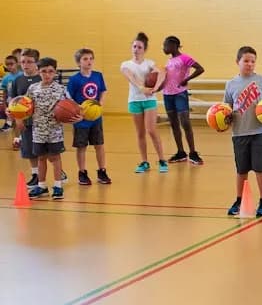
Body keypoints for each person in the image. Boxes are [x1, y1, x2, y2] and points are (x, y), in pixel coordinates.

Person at [225, 46, 262, 217]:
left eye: (253, 61)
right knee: (241, 170)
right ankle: (239, 200)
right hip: (239, 132)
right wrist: (223, 119)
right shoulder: (230, 84)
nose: (249, 64)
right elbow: (226, 109)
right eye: (246, 61)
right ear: (237, 62)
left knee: (261, 168)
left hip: (260, 131)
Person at [27, 58, 79, 199]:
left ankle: (57, 186)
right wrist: (14, 112)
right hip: (38, 131)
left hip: (55, 132)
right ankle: (42, 186)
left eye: (50, 71)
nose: (47, 74)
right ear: (38, 72)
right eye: (44, 71)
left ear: (55, 72)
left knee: (55, 158)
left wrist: (79, 115)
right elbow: (25, 106)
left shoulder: (61, 89)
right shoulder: (33, 89)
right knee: (41, 158)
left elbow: (73, 106)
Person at [120, 32, 167, 174]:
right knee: (140, 133)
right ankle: (144, 162)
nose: (136, 49)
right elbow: (131, 76)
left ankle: (162, 160)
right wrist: (142, 88)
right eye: (134, 46)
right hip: (134, 101)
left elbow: (163, 72)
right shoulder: (125, 65)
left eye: (139, 47)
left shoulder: (149, 64)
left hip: (149, 101)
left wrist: (156, 88)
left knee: (151, 130)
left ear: (144, 49)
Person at [67, 48, 111, 185]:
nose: (89, 61)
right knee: (81, 147)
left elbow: (103, 91)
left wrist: (100, 104)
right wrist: (78, 108)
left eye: (91, 58)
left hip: (95, 118)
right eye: (85, 59)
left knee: (99, 145)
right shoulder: (74, 79)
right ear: (78, 62)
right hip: (81, 119)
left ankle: (102, 171)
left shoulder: (98, 75)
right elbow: (68, 97)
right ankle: (82, 172)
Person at [162, 36, 205, 165]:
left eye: (165, 45)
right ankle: (180, 152)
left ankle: (193, 152)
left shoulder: (184, 58)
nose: (163, 48)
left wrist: (187, 79)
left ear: (174, 45)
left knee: (185, 123)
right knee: (174, 124)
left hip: (180, 94)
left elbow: (200, 69)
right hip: (167, 94)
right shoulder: (168, 61)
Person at [10, 49, 42, 184]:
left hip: (41, 121)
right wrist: (17, 119)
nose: (25, 65)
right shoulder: (18, 80)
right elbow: (14, 102)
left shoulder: (41, 78)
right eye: (23, 62)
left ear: (37, 63)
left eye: (29, 62)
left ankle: (59, 172)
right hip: (26, 121)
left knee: (45, 150)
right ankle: (35, 174)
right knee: (29, 149)